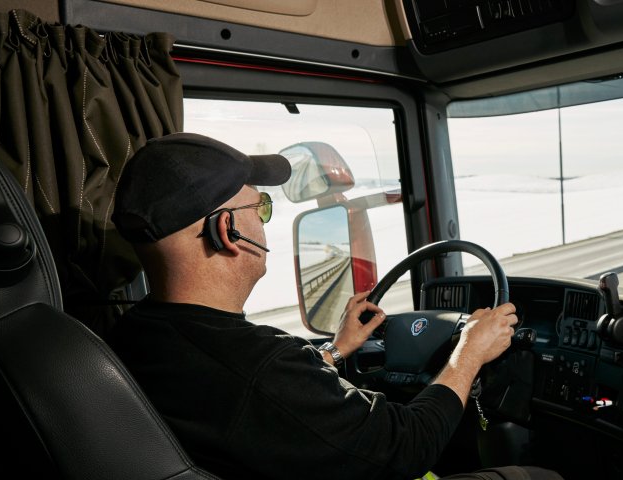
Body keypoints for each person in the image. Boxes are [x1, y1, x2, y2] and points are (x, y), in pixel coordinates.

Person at [108, 133, 561, 480]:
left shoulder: (129, 335)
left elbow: (260, 403)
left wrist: (337, 350)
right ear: (228, 230)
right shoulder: (258, 366)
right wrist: (468, 355)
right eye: (260, 208)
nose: (263, 224)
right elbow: (407, 447)